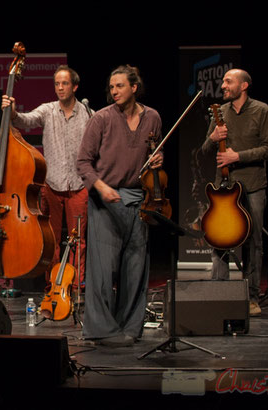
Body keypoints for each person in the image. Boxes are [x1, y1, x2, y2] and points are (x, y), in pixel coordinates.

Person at [76, 65, 163, 347]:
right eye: (111, 87)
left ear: (134, 87)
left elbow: (154, 152)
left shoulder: (153, 117)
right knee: (103, 270)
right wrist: (100, 186)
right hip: (105, 201)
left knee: (135, 268)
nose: (114, 91)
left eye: (120, 86)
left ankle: (130, 328)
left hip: (139, 200)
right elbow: (83, 163)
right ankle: (102, 330)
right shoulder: (101, 119)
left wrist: (158, 157)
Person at [1, 65, 91, 292]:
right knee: (50, 238)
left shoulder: (88, 114)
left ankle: (76, 284)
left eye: (65, 84)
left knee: (78, 239)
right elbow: (25, 120)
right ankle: (54, 284)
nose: (60, 88)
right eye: (57, 84)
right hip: (51, 185)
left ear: (75, 86)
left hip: (78, 186)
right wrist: (12, 112)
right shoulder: (48, 110)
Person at [201, 68, 268, 317]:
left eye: (228, 81)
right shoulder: (219, 113)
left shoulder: (261, 110)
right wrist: (212, 138)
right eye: (223, 81)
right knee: (219, 238)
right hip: (223, 187)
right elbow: (204, 152)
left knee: (253, 241)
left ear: (243, 86)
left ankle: (251, 297)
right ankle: (219, 294)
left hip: (253, 185)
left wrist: (238, 156)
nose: (223, 85)